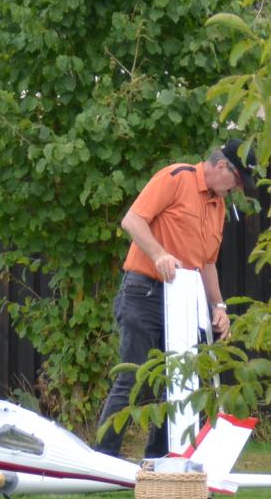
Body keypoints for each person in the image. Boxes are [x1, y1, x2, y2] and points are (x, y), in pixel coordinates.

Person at [94, 141, 251, 459]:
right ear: (222, 166)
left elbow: (208, 263)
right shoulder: (176, 177)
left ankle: (161, 461)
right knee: (134, 377)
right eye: (236, 181)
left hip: (184, 300)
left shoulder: (218, 206)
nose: (236, 189)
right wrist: (159, 254)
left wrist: (219, 307)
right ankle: (101, 459)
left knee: (179, 380)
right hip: (144, 292)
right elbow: (132, 220)